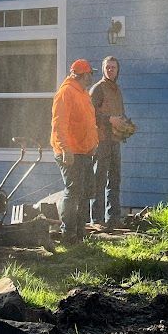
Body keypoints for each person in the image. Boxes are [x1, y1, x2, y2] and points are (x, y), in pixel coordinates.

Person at [50, 58, 98, 244]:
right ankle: (68, 234)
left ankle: (80, 232)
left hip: (84, 151)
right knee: (73, 192)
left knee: (86, 192)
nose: (91, 77)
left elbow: (89, 122)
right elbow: (58, 125)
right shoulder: (66, 93)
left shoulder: (83, 93)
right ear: (84, 75)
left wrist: (94, 142)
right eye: (90, 74)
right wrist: (65, 149)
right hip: (70, 153)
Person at [90, 55, 126, 228]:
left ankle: (113, 218)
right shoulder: (98, 89)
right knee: (99, 180)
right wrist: (110, 119)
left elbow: (120, 113)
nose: (110, 70)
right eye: (108, 67)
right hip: (101, 140)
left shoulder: (117, 89)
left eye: (113, 67)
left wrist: (125, 125)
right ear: (103, 69)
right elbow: (90, 114)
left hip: (115, 140)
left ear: (118, 70)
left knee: (114, 179)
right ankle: (96, 219)